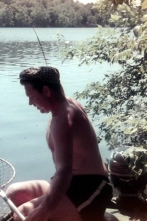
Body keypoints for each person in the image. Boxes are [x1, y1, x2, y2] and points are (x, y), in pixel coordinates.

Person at [6, 66, 113, 221]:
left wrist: (44, 210)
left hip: (91, 188)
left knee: (23, 214)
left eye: (31, 96)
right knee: (14, 193)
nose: (30, 103)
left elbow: (64, 172)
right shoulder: (67, 105)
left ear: (47, 91)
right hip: (69, 185)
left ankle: (90, 216)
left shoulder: (64, 119)